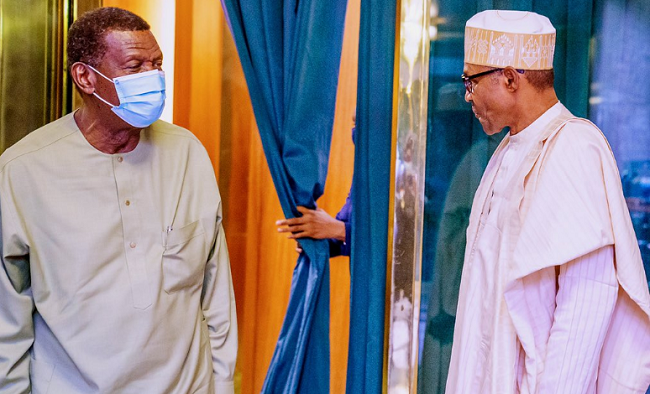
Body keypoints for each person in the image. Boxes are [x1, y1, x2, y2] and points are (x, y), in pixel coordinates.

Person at [0, 7, 237, 394]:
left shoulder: (187, 154)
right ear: (85, 77)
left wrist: (222, 386)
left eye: (157, 64)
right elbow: (6, 319)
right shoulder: (22, 172)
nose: (154, 78)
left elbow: (216, 293)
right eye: (135, 66)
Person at [446, 10, 650, 393]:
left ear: (509, 77)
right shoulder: (508, 149)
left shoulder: (574, 146)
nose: (467, 96)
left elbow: (586, 300)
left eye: (470, 82)